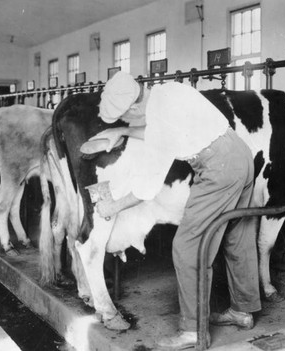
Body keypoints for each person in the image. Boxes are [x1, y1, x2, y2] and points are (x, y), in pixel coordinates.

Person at [90, 71, 261, 349]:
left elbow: (147, 189)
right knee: (236, 234)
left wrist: (113, 205)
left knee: (187, 246)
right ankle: (243, 310)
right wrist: (122, 131)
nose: (128, 121)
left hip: (217, 168)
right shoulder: (167, 91)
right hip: (240, 154)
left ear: (134, 106)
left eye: (126, 117)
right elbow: (160, 127)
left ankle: (193, 330)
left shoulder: (159, 121)